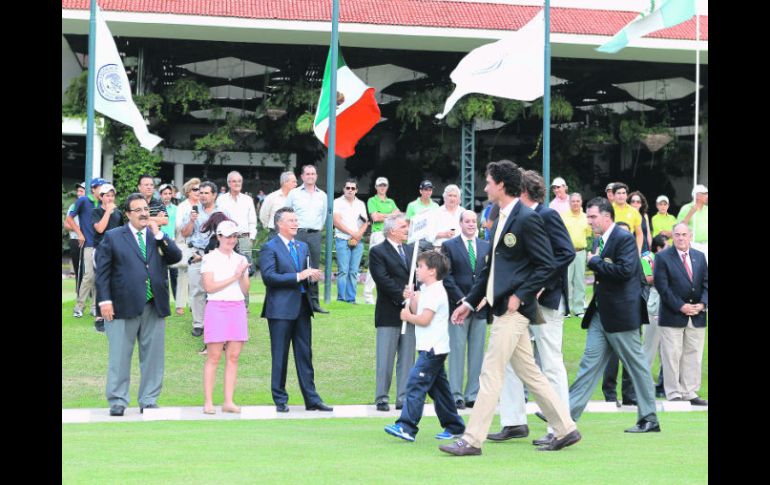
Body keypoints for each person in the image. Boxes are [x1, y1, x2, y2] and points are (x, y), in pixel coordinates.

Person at [440, 160, 580, 456]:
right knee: (530, 372)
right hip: (501, 305)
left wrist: (521, 294)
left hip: (513, 310)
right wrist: (469, 301)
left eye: (489, 181)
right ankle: (566, 428)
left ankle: (472, 439)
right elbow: (489, 269)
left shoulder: (527, 218)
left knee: (491, 371)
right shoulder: (498, 215)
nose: (485, 187)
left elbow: (547, 264)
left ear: (501, 185)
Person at [489, 169, 575, 446]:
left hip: (545, 299)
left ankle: (558, 425)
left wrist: (541, 285)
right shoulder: (517, 217)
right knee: (514, 361)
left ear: (522, 191)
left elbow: (565, 253)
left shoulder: (547, 215)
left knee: (550, 361)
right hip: (521, 299)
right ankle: (513, 421)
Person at [567, 197, 660, 434]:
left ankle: (649, 418)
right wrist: (597, 260)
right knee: (589, 363)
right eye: (588, 217)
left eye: (593, 216)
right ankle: (565, 415)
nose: (589, 221)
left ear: (607, 217)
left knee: (636, 365)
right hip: (601, 313)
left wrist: (596, 262)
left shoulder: (624, 238)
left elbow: (626, 271)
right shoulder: (601, 240)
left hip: (620, 315)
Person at [95, 193, 182, 416]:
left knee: (153, 356)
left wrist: (160, 233)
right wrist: (104, 300)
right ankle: (117, 400)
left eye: (146, 209)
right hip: (121, 305)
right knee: (119, 355)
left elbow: (175, 256)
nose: (144, 213)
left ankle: (149, 400)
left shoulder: (156, 236)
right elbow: (102, 272)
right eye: (138, 210)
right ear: (127, 214)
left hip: (154, 304)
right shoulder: (114, 237)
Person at [384, 251, 466, 442]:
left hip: (433, 348)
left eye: (420, 267)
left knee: (415, 383)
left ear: (432, 271)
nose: (417, 270)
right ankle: (455, 426)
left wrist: (407, 317)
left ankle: (407, 426)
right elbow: (416, 310)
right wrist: (412, 298)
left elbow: (423, 320)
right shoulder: (426, 291)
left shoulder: (436, 292)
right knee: (440, 390)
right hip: (430, 347)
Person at [259, 207, 333, 413]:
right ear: (279, 224)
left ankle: (312, 399)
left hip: (302, 306)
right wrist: (299, 276)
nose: (295, 223)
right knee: (280, 355)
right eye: (290, 220)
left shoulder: (302, 246)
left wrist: (310, 277)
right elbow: (269, 277)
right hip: (280, 309)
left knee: (305, 355)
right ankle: (280, 399)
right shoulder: (270, 247)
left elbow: (304, 274)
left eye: (296, 219)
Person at [654, 223, 708, 406]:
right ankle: (674, 392)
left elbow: (706, 283)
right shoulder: (662, 257)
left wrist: (702, 304)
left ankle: (690, 392)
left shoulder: (700, 257)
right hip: (672, 315)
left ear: (690, 236)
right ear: (672, 237)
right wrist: (680, 306)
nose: (681, 238)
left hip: (697, 315)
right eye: (677, 235)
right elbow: (662, 287)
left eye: (684, 234)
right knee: (672, 355)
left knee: (693, 355)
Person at [441, 210, 490, 410]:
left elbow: (491, 276)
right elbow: (446, 276)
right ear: (460, 223)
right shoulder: (449, 246)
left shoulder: (486, 246)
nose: (471, 224)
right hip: (458, 307)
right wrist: (463, 301)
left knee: (477, 353)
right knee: (457, 351)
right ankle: (455, 394)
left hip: (480, 308)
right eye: (467, 221)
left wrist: (483, 298)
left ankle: (472, 394)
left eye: (474, 221)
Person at [201, 220, 251, 415]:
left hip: (237, 306)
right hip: (217, 306)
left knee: (233, 356)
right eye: (227, 236)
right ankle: (208, 401)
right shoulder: (210, 258)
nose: (231, 240)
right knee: (214, 356)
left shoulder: (240, 258)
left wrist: (242, 274)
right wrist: (234, 275)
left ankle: (228, 401)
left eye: (233, 236)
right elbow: (210, 287)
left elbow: (245, 290)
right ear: (219, 237)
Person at [368, 214, 417, 412]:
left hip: (410, 313)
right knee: (385, 358)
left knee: (407, 358)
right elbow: (382, 278)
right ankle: (381, 397)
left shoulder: (411, 250)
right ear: (391, 230)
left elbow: (417, 276)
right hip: (389, 312)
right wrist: (402, 296)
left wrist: (414, 296)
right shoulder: (378, 252)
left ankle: (403, 397)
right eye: (403, 226)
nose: (407, 229)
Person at [284, 165, 329, 314]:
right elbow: (287, 213)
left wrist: (316, 228)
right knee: (296, 266)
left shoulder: (322, 195)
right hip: (298, 234)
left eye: (313, 173)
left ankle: (314, 303)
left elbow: (323, 216)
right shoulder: (294, 194)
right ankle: (294, 300)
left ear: (316, 176)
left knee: (314, 268)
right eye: (307, 174)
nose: (310, 176)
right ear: (302, 177)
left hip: (314, 234)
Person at [181, 181, 220, 337]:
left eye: (206, 193)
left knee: (215, 290)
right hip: (196, 253)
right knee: (196, 289)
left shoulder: (222, 212)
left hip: (216, 254)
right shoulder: (192, 212)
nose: (202, 196)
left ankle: (215, 321)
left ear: (214, 195)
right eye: (200, 193)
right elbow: (184, 233)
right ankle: (198, 323)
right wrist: (191, 220)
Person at [67, 177, 107, 318]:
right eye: (101, 188)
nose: (104, 190)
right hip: (89, 244)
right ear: (94, 188)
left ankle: (95, 307)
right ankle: (79, 307)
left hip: (102, 246)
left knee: (98, 277)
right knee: (89, 276)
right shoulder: (83, 200)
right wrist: (79, 233)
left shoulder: (105, 203)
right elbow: (69, 219)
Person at [215, 171, 258, 304]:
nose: (237, 184)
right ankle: (228, 300)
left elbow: (253, 221)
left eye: (239, 181)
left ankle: (244, 304)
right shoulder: (221, 199)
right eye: (234, 181)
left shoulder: (248, 199)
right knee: (227, 268)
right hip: (227, 238)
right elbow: (219, 219)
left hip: (245, 238)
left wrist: (251, 238)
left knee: (245, 270)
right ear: (228, 183)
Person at [363, 176, 400, 304]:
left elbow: (398, 215)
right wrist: (390, 215)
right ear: (376, 187)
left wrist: (383, 215)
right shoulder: (372, 200)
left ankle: (386, 294)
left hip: (391, 234)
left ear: (387, 187)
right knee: (374, 264)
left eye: (384, 185)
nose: (382, 187)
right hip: (378, 233)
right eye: (380, 185)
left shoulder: (391, 201)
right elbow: (375, 217)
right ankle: (368, 295)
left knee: (390, 264)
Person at [91, 183, 123, 333]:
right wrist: (108, 212)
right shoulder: (96, 211)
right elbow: (100, 228)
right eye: (107, 195)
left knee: (115, 281)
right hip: (100, 250)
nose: (110, 198)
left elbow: (122, 232)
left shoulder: (118, 213)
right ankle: (99, 317)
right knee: (101, 281)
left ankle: (111, 313)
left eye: (112, 195)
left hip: (116, 251)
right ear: (101, 197)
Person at [332, 178, 369, 303]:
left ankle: (351, 299)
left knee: (353, 272)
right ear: (343, 189)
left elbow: (365, 222)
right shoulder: (337, 202)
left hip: (357, 241)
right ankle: (341, 299)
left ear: (356, 190)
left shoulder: (360, 204)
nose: (350, 190)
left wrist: (358, 235)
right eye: (347, 188)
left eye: (353, 188)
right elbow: (336, 222)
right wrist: (353, 233)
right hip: (342, 239)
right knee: (343, 271)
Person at [561, 192, 592, 317]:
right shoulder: (563, 216)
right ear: (569, 202)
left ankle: (578, 309)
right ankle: (566, 309)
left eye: (577, 201)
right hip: (567, 252)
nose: (575, 203)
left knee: (579, 280)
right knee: (566, 280)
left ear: (581, 202)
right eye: (573, 201)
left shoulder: (586, 217)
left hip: (580, 252)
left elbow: (590, 234)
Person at [174, 178, 201, 316]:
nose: (199, 192)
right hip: (184, 243)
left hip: (200, 244)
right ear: (188, 191)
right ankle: (180, 305)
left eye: (200, 189)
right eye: (195, 189)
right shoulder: (182, 206)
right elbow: (178, 226)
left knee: (198, 275)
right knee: (184, 273)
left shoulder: (203, 204)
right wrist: (190, 223)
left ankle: (194, 303)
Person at [259, 171, 297, 240]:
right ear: (285, 183)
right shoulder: (271, 197)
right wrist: (270, 228)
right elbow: (263, 215)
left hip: (293, 235)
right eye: (293, 182)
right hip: (275, 234)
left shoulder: (297, 198)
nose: (296, 184)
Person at [158, 184, 179, 306]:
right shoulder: (156, 208)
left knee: (174, 272)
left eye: (169, 193)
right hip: (159, 242)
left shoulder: (176, 209)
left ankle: (177, 301)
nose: (167, 196)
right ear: (160, 195)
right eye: (165, 193)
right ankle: (164, 299)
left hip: (172, 241)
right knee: (162, 273)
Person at [676, 184, 708, 262]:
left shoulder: (707, 209)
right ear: (698, 195)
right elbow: (680, 227)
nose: (707, 196)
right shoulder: (686, 208)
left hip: (706, 244)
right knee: (693, 270)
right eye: (705, 194)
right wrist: (690, 213)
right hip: (692, 244)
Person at [611, 183, 643, 254]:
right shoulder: (608, 210)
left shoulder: (634, 211)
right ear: (613, 195)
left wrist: (638, 251)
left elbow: (639, 234)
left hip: (628, 248)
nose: (621, 196)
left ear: (626, 195)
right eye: (618, 193)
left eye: (623, 193)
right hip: (611, 248)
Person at [64, 182, 87, 281]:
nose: (78, 193)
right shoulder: (73, 206)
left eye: (81, 191)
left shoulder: (95, 205)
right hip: (75, 240)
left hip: (90, 242)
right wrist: (79, 230)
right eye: (78, 191)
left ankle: (91, 295)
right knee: (78, 271)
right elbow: (66, 225)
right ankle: (80, 295)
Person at [432, 184, 464, 248]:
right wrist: (443, 234)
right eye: (450, 195)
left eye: (455, 196)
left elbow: (473, 231)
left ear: (458, 199)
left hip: (460, 248)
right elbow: (429, 234)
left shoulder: (464, 212)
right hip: (440, 248)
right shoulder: (436, 212)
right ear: (444, 197)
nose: (452, 198)